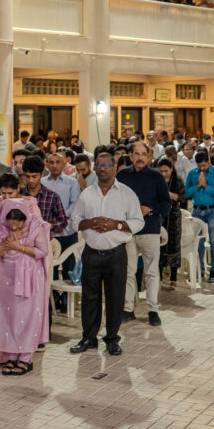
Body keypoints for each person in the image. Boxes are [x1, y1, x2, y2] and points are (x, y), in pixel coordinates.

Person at [69, 148, 144, 355]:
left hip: (116, 254)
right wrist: (89, 223)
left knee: (115, 297)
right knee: (89, 298)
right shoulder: (87, 194)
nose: (102, 169)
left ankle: (112, 338)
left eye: (106, 165)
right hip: (91, 253)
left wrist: (115, 225)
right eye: (99, 166)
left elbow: (138, 222)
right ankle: (88, 338)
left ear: (114, 167)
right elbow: (75, 221)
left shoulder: (126, 194)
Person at [0, 198, 49, 375]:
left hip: (29, 278)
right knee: (8, 316)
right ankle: (12, 356)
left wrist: (18, 247)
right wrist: (6, 245)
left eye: (18, 224)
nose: (14, 228)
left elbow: (42, 251)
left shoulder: (36, 226)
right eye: (11, 224)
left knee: (28, 317)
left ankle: (26, 358)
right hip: (5, 278)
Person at [117, 142, 171, 325]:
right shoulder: (122, 175)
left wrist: (151, 211)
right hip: (129, 232)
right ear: (130, 156)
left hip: (150, 230)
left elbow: (166, 204)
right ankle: (127, 308)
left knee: (152, 272)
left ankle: (153, 310)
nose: (139, 158)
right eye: (136, 154)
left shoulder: (156, 176)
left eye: (143, 154)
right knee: (129, 271)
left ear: (149, 157)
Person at [185, 152, 214, 283]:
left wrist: (206, 186)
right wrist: (197, 186)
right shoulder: (193, 173)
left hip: (213, 210)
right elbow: (187, 192)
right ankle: (200, 270)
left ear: (209, 161)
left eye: (204, 165)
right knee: (198, 242)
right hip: (197, 211)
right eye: (199, 166)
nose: (201, 169)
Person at [156, 159, 185, 290]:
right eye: (160, 171)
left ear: (171, 170)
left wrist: (171, 195)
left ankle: (173, 278)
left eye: (166, 171)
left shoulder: (177, 181)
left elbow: (183, 198)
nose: (163, 174)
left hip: (173, 216)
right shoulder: (155, 181)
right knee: (159, 245)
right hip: (160, 216)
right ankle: (160, 276)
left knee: (174, 245)